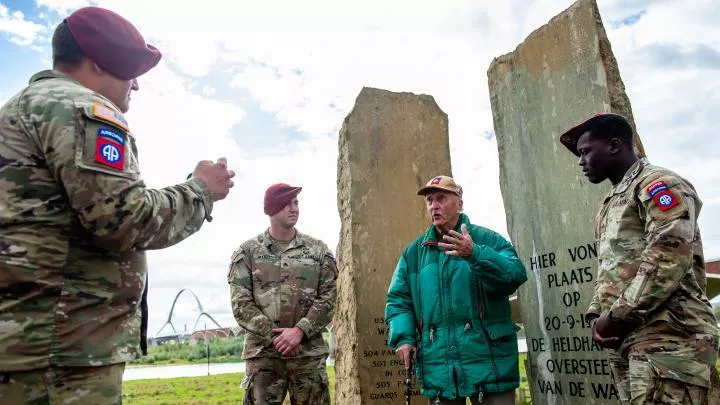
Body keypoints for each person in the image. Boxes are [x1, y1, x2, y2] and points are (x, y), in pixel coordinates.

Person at [0, 6, 234, 404]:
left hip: (30, 342)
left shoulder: (20, 109)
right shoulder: (81, 109)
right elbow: (123, 219)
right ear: (97, 64)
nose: (136, 86)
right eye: (131, 71)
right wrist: (201, 190)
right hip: (64, 350)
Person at [559, 112, 719, 404]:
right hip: (629, 338)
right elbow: (610, 268)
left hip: (673, 337)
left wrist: (617, 316)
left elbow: (667, 256)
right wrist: (597, 313)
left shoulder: (659, 184)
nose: (581, 162)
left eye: (585, 152)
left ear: (615, 145)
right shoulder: (611, 202)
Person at [385, 175, 527, 405]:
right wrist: (404, 338)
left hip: (489, 364)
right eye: (429, 200)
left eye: (441, 198)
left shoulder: (488, 240)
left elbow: (514, 275)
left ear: (459, 203)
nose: (434, 205)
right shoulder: (413, 253)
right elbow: (398, 300)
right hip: (440, 367)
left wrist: (475, 254)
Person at [228, 183, 337, 405]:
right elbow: (241, 304)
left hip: (307, 356)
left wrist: (299, 331)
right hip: (264, 357)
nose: (294, 208)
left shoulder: (318, 251)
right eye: (286, 204)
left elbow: (328, 297)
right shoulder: (248, 252)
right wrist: (276, 336)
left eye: (296, 203)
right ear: (271, 209)